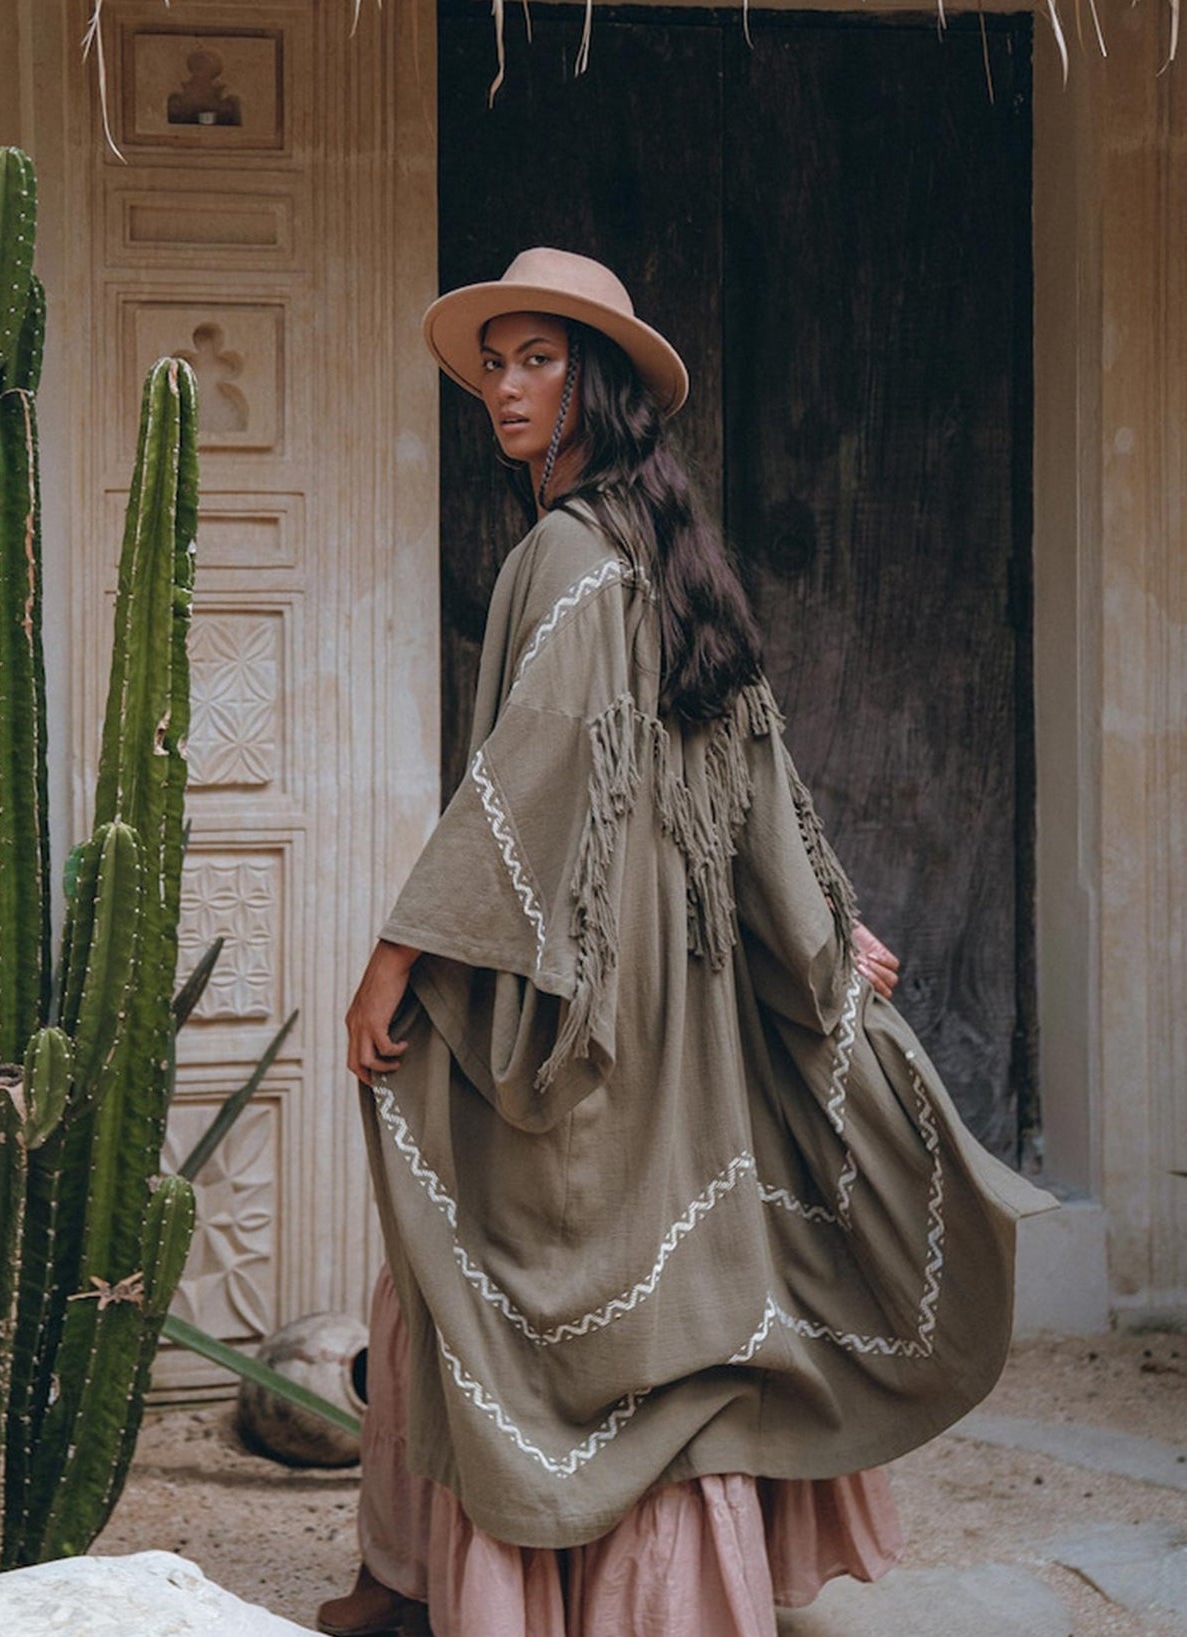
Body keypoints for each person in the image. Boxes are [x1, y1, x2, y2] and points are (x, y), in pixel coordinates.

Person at [320, 248, 1052, 1637]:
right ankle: (416, 1574)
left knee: (496, 1245)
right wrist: (816, 928)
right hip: (677, 987)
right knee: (620, 1267)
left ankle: (456, 1583)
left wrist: (395, 955)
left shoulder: (564, 553)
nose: (504, 387)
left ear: (594, 382)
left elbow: (529, 775)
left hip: (594, 990)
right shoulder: (664, 551)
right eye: (494, 362)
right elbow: (749, 772)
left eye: (537, 358)